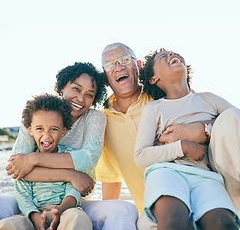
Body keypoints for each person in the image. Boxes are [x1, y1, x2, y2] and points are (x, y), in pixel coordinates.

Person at [96, 42, 240, 229]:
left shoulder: (162, 96)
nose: (119, 66)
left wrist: (203, 129)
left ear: (138, 66)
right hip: (157, 205)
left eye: (125, 60)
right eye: (111, 64)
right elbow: (111, 180)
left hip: (203, 179)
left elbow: (227, 124)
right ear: (105, 78)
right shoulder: (104, 121)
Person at [1, 61, 138, 230]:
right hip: (32, 197)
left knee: (125, 209)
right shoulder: (37, 114)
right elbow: (16, 168)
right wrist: (71, 175)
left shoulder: (94, 118)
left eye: (89, 94)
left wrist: (33, 159)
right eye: (76, 88)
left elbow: (86, 160)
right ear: (62, 87)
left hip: (73, 200)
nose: (81, 98)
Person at [0, 93, 93, 230]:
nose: (46, 136)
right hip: (32, 213)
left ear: (63, 132)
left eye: (54, 129)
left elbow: (73, 191)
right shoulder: (25, 161)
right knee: (10, 224)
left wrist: (59, 210)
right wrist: (34, 216)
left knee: (78, 218)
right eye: (39, 129)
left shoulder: (69, 156)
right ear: (31, 130)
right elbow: (23, 195)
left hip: (65, 210)